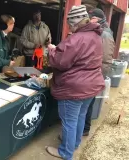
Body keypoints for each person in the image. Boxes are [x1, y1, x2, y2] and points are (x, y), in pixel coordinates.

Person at [45, 5, 105, 160]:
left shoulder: (76, 38)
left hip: (74, 88)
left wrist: (52, 50)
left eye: (70, 24)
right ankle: (74, 143)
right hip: (92, 85)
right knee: (80, 116)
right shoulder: (96, 36)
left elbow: (60, 62)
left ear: (74, 22)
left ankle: (65, 152)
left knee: (69, 121)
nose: (69, 27)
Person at [83, 8, 115, 136]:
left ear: (97, 19)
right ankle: (84, 127)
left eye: (91, 18)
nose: (89, 21)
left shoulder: (105, 34)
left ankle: (85, 128)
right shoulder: (100, 32)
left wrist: (96, 75)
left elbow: (106, 59)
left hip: (96, 74)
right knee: (87, 101)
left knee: (88, 102)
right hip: (94, 73)